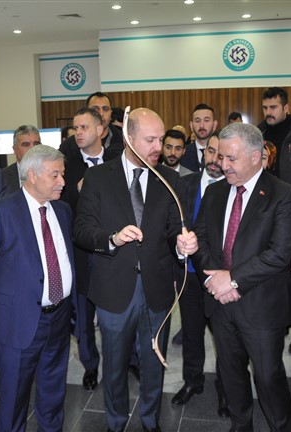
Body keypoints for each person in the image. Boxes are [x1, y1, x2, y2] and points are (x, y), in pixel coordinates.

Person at [74, 108, 198, 432]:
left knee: (154, 363)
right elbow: (82, 230)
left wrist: (182, 245)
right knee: (114, 365)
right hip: (114, 288)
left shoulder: (170, 179)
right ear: (129, 138)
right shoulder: (99, 178)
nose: (159, 147)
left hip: (158, 288)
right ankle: (116, 422)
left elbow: (174, 228)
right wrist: (112, 238)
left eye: (161, 139)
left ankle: (150, 420)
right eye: (150, 140)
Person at [193, 122, 291, 432]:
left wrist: (233, 280)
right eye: (221, 157)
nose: (223, 165)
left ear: (256, 157)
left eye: (231, 158)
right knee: (231, 375)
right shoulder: (214, 191)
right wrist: (213, 281)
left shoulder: (282, 194)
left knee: (268, 378)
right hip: (220, 304)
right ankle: (241, 426)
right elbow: (201, 238)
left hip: (261, 306)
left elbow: (280, 254)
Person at [0, 145, 74, 432]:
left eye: (63, 174)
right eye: (55, 175)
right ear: (32, 175)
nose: (62, 182)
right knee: (13, 400)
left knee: (53, 393)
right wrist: (11, 298)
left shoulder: (63, 210)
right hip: (17, 322)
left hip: (59, 318)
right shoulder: (1, 210)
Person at [61, 107, 121, 392]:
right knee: (83, 314)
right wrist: (77, 189)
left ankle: (128, 359)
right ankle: (90, 365)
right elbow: (60, 206)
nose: (78, 133)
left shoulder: (117, 162)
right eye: (76, 128)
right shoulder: (67, 166)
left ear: (101, 130)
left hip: (114, 249)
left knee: (118, 310)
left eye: (84, 127)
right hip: (80, 251)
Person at [172, 131, 228, 416]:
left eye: (221, 154)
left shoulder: (233, 187)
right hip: (189, 274)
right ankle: (193, 381)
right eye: (211, 152)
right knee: (191, 333)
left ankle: (225, 389)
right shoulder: (185, 184)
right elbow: (172, 224)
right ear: (203, 153)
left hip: (221, 276)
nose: (215, 159)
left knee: (225, 338)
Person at [257, 87, 291, 184]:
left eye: (273, 107)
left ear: (286, 108)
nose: (268, 112)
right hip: (264, 191)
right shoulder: (256, 135)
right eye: (265, 108)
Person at [59, 92, 125, 159]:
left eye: (105, 109)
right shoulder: (68, 146)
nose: (101, 113)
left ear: (111, 113)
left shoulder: (123, 141)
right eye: (95, 109)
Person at [2, 125, 42, 193]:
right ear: (15, 149)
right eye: (26, 144)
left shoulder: (52, 173)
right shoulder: (2, 176)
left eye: (36, 144)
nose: (32, 148)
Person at [180, 103, 218, 172]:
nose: (201, 126)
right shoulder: (182, 154)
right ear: (191, 126)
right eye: (197, 121)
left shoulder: (223, 154)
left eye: (206, 120)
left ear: (214, 125)